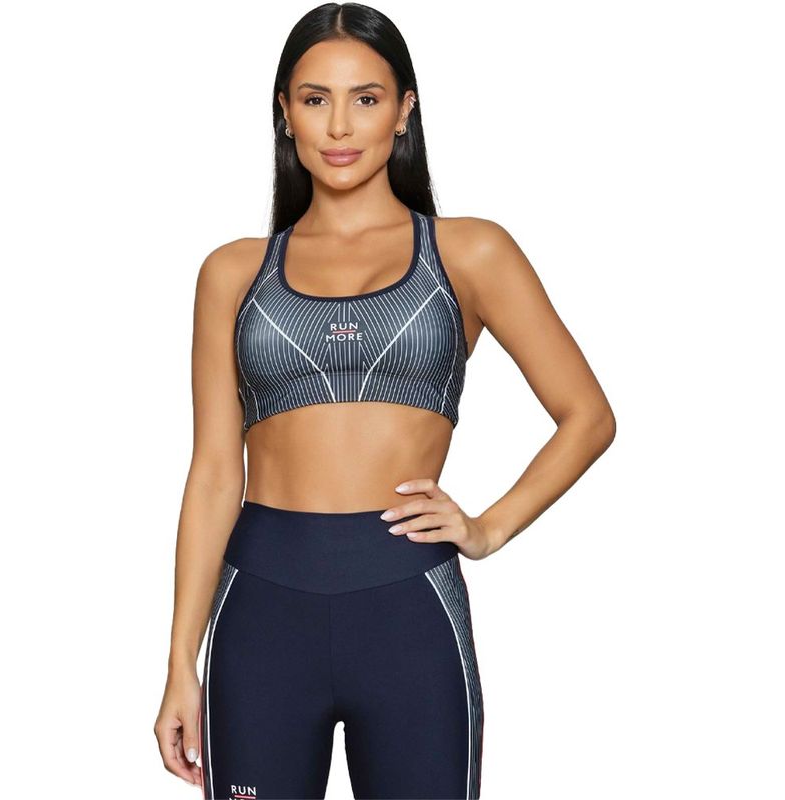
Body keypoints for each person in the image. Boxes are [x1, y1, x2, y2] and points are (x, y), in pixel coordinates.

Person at [154, 4, 616, 799]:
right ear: (285, 112)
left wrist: (488, 527)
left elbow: (588, 416)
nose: (339, 125)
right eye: (315, 99)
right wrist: (178, 666)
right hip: (261, 612)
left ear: (404, 110)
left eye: (365, 98)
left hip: (409, 608)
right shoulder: (232, 273)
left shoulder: (470, 252)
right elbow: (214, 475)